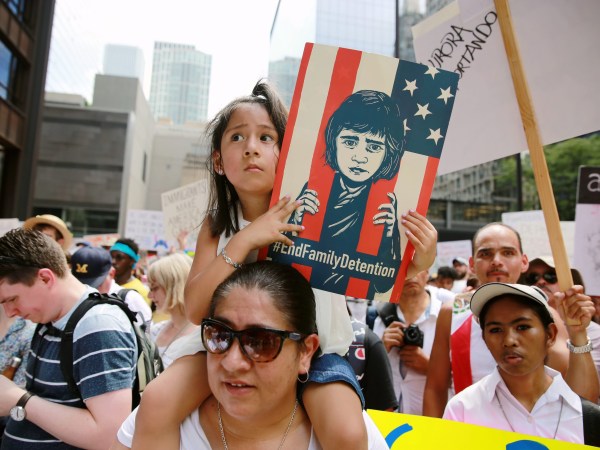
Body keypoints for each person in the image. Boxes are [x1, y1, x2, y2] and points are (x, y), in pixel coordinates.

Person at [131, 81, 437, 450]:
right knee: (157, 400)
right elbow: (196, 309)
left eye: (266, 138)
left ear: (288, 152)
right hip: (228, 346)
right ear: (217, 161)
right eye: (237, 138)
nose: (251, 149)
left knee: (347, 433)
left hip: (317, 350)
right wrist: (246, 239)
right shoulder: (217, 224)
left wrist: (418, 257)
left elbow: (379, 274)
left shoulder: (317, 209)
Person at [113, 262, 387, 449]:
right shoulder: (159, 419)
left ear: (305, 351)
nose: (233, 362)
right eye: (219, 335)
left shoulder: (352, 436)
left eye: (262, 342)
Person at [423, 222, 598, 417]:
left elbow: (581, 398)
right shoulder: (452, 312)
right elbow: (435, 387)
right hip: (469, 434)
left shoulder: (547, 315)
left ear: (524, 262)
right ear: (472, 264)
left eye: (507, 253)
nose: (496, 261)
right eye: (486, 254)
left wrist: (579, 334)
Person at [0, 228, 137, 449]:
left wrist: (19, 399)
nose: (10, 312)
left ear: (45, 277)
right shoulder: (50, 320)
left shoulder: (98, 325)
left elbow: (109, 436)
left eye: (12, 299)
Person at [444, 282, 599, 445]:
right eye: (495, 330)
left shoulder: (584, 416)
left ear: (550, 335)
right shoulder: (462, 409)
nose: (509, 341)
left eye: (522, 327)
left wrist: (578, 333)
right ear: (484, 339)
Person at [289, 90, 404, 297]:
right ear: (334, 141)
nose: (359, 157)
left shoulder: (383, 205)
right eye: (350, 142)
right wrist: (293, 223)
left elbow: (383, 285)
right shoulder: (314, 190)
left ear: (389, 153)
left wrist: (387, 237)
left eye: (374, 147)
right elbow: (284, 260)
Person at [373, 270, 454, 415]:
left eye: (417, 269)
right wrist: (380, 350)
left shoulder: (448, 316)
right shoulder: (378, 318)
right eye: (404, 270)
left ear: (427, 273)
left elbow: (467, 381)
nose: (411, 275)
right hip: (390, 424)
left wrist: (430, 368)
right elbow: (366, 378)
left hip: (435, 422)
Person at [71, 245, 152, 329]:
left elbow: (146, 336)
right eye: (81, 284)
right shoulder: (69, 296)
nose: (88, 290)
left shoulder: (129, 299)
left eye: (95, 284)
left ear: (111, 273)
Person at [147, 253, 199, 368]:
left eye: (154, 288)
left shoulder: (202, 337)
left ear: (175, 286)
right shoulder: (155, 330)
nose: (149, 295)